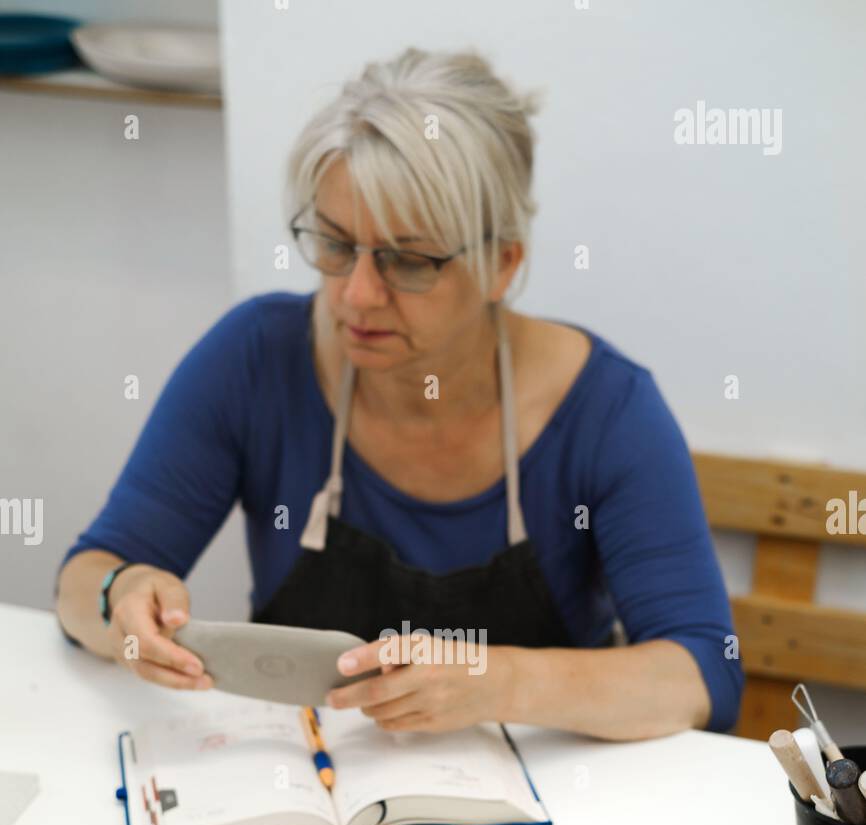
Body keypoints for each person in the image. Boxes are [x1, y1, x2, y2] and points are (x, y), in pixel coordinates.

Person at [57, 46, 743, 739]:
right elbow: (86, 577)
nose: (356, 295)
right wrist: (121, 603)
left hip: (549, 823)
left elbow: (700, 676)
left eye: (409, 261)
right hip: (301, 792)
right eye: (334, 245)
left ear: (501, 263)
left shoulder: (605, 411)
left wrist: (500, 681)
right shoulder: (255, 359)